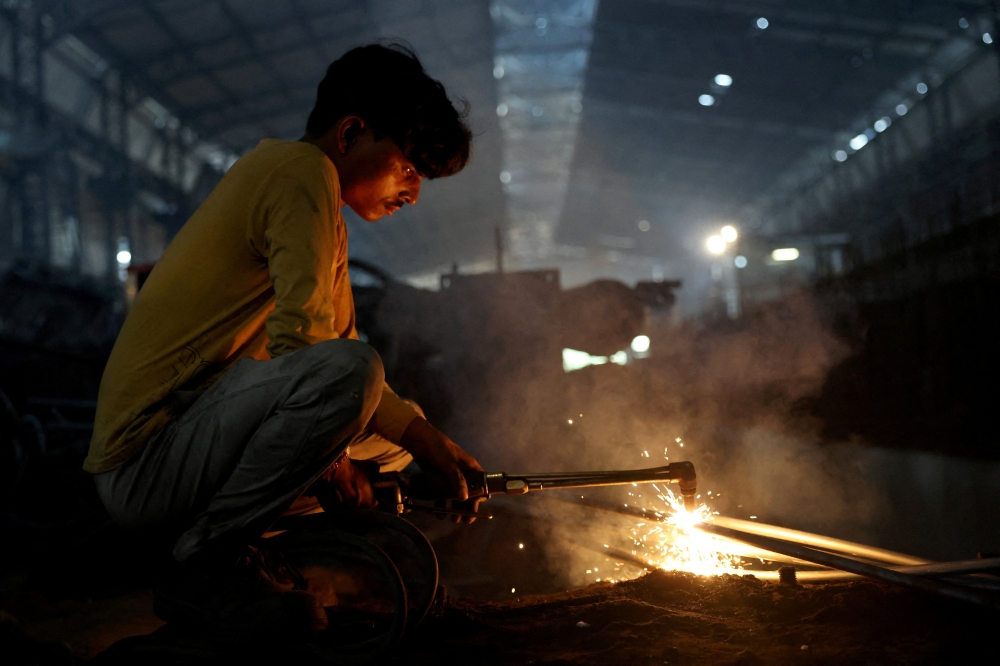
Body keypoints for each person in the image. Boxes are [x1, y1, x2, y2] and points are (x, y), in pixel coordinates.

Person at [83, 43, 483, 637]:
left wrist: (429, 443)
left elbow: (330, 344)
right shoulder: (300, 173)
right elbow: (317, 354)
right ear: (351, 132)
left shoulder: (322, 211)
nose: (413, 192)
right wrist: (334, 464)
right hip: (147, 459)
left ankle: (279, 554)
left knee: (398, 437)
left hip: (189, 442)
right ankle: (207, 566)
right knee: (354, 378)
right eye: (408, 168)